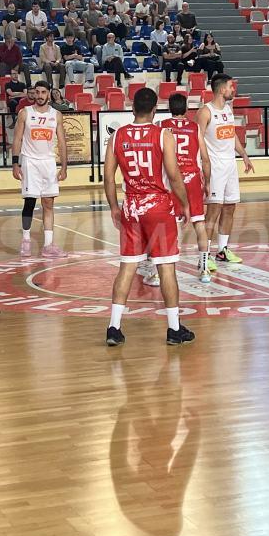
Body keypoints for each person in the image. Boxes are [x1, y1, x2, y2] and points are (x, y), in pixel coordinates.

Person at [103, 87, 193, 347]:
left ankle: (114, 327)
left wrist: (113, 207)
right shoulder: (163, 134)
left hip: (131, 206)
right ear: (155, 110)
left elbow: (108, 177)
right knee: (166, 267)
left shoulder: (118, 135)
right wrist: (185, 204)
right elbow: (174, 176)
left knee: (127, 267)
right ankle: (174, 329)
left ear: (132, 108)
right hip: (158, 207)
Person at [198, 74, 254, 268]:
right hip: (214, 166)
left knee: (230, 207)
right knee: (213, 210)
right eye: (231, 87)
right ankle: (205, 256)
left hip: (230, 165)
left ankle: (222, 250)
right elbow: (197, 140)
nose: (233, 90)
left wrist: (244, 155)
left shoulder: (229, 109)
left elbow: (232, 135)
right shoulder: (206, 111)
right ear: (222, 89)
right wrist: (204, 164)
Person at [11, 80, 68, 258]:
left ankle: (48, 245)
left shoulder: (56, 115)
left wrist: (64, 166)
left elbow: (62, 142)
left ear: (49, 93)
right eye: (37, 92)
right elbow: (17, 139)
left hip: (49, 162)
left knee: (49, 204)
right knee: (29, 202)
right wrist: (15, 163)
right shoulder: (25, 113)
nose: (40, 95)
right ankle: (26, 240)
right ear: (34, 94)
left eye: (43, 92)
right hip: (29, 162)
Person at [161, 93, 211, 282]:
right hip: (192, 180)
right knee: (199, 223)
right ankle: (204, 269)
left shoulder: (162, 126)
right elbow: (205, 159)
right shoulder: (195, 127)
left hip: (172, 180)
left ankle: (162, 269)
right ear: (187, 110)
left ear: (169, 109)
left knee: (170, 225)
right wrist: (207, 182)